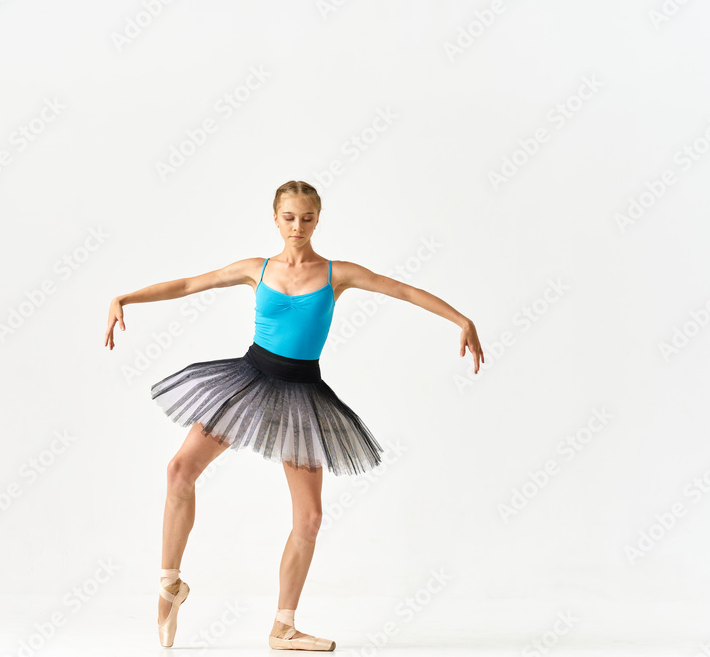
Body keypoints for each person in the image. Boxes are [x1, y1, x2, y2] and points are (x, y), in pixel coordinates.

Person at [105, 180, 484, 651]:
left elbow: (402, 290)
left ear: (318, 219)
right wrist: (126, 298)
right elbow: (187, 284)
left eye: (306, 218)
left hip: (303, 396)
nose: (297, 227)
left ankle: (283, 626)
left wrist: (461, 320)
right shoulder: (256, 269)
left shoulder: (335, 273)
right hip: (247, 382)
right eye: (289, 218)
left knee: (309, 518)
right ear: (275, 217)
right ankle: (169, 585)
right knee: (180, 470)